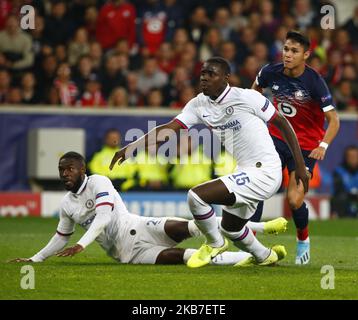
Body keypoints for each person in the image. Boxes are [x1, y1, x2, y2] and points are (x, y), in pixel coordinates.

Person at [110, 56, 308, 268]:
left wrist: (299, 167)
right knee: (232, 228)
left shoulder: (247, 97)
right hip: (245, 171)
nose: (204, 78)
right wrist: (131, 147)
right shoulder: (198, 104)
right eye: (203, 73)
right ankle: (264, 256)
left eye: (211, 74)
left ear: (225, 78)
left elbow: (283, 124)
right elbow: (169, 129)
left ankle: (215, 243)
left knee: (196, 197)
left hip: (266, 171)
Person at [10, 152, 287, 266]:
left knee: (194, 225)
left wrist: (82, 245)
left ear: (82, 169)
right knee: (191, 257)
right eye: (61, 170)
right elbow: (61, 236)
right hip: (129, 254)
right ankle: (260, 257)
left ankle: (261, 227)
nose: (64, 174)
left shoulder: (99, 182)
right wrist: (35, 260)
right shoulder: (67, 205)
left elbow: (104, 216)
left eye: (69, 169)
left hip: (140, 226)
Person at [251, 31, 340, 264]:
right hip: (277, 138)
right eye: (286, 49)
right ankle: (250, 244)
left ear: (306, 55)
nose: (288, 55)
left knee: (294, 200)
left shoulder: (314, 82)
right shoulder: (270, 72)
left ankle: (303, 239)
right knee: (257, 186)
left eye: (294, 51)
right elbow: (254, 94)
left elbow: (334, 120)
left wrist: (323, 145)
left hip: (305, 146)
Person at [331, 145, 358, 218]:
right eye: (351, 157)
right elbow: (338, 190)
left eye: (355, 157)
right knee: (340, 198)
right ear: (346, 158)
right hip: (346, 199)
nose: (353, 159)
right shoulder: (339, 171)